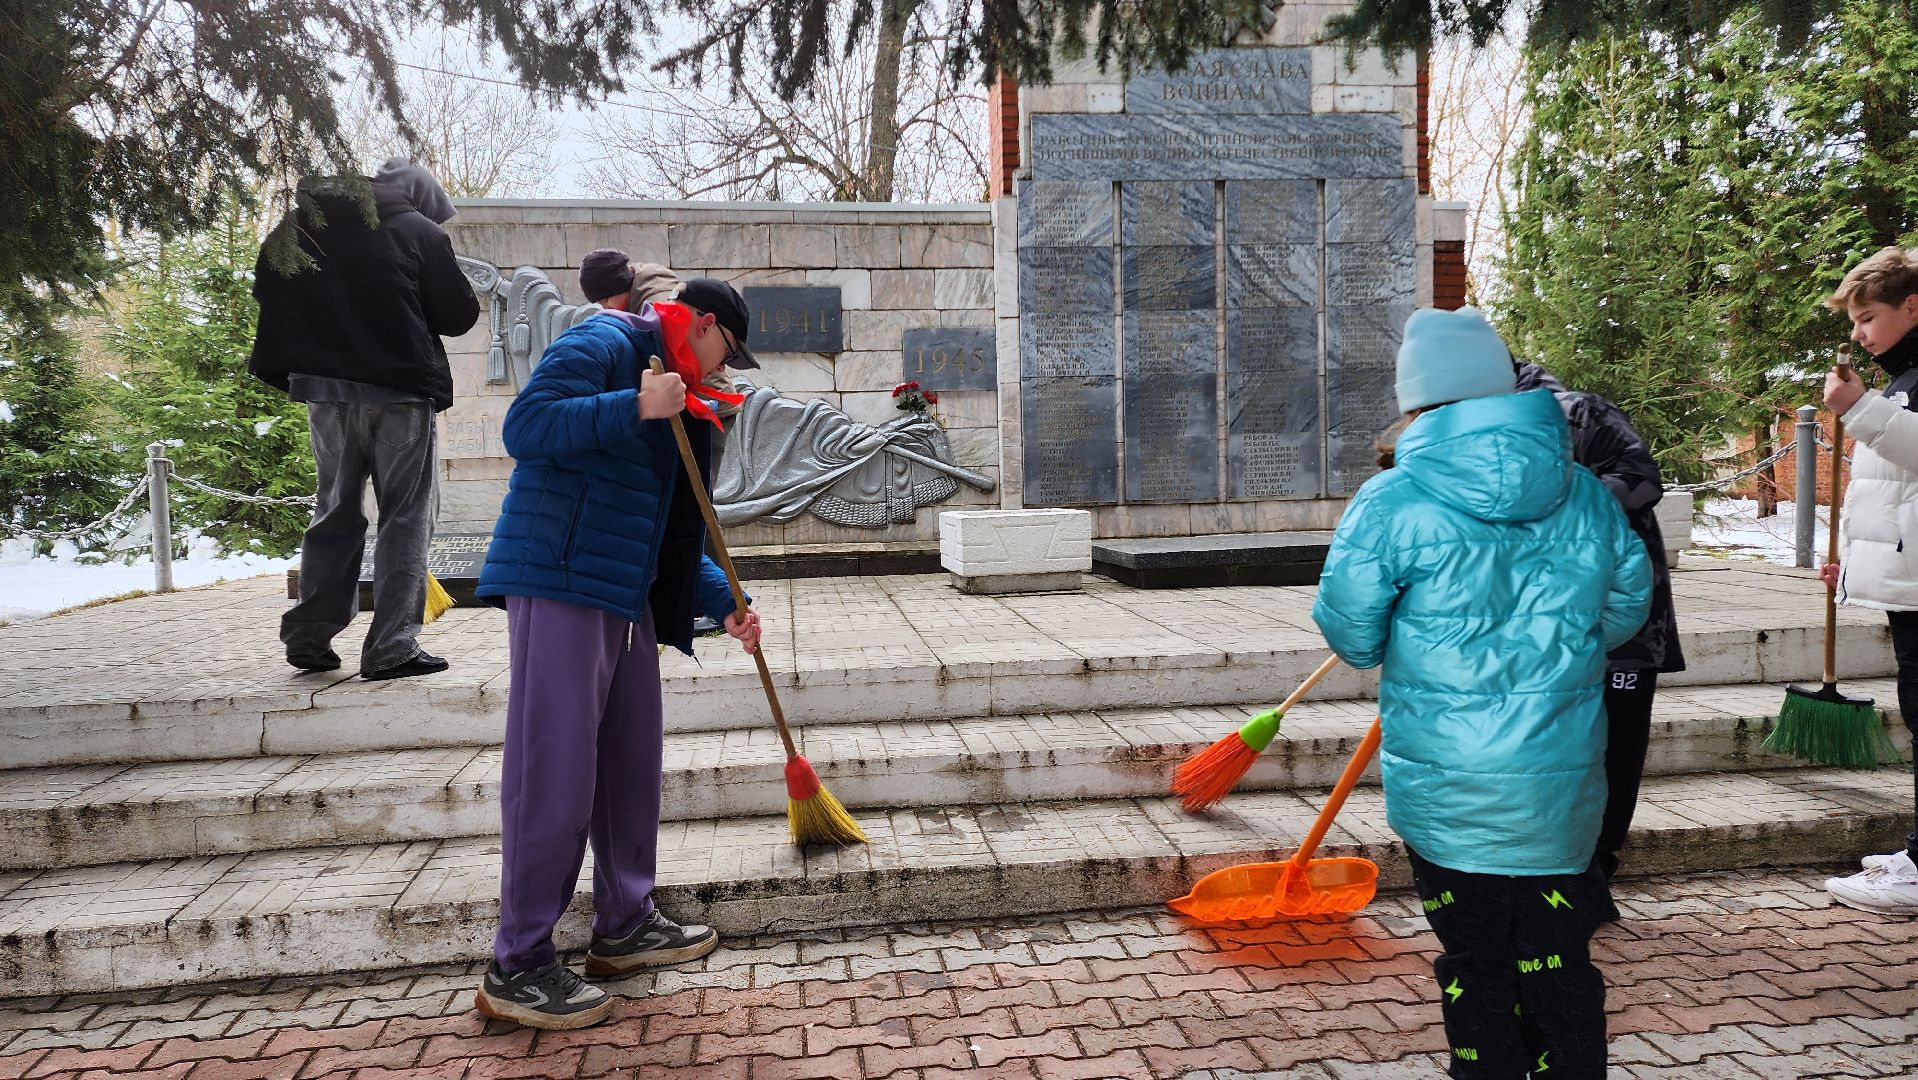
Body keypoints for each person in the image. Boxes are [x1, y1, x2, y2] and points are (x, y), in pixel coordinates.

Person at [1312, 307, 1651, 1079]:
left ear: (1418, 402)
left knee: (1475, 964)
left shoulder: (1390, 503)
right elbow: (1626, 610)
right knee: (1559, 964)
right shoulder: (1588, 497)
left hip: (1450, 793)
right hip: (1559, 792)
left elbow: (1355, 636)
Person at [471, 251, 764, 1030]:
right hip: (561, 576)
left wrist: (723, 601)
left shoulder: (679, 393)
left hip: (625, 592)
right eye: (725, 352)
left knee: (632, 758)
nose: (724, 370)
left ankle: (624, 924)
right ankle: (519, 961)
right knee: (554, 767)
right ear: (702, 326)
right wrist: (631, 407)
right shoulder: (605, 343)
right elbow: (525, 428)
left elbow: (673, 528)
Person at [250, 159, 480, 680]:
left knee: (334, 508)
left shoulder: (299, 225)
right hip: (399, 393)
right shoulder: (418, 232)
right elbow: (459, 314)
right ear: (420, 198)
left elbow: (267, 287)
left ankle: (310, 635)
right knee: (405, 516)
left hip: (324, 393)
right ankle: (391, 648)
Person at [1512, 362, 1685, 902]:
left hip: (1620, 622)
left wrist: (1566, 502)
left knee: (1613, 748)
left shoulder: (1577, 412)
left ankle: (1592, 878)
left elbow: (1641, 479)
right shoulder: (1476, 428)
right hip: (1542, 623)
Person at [1816, 245, 1918, 915]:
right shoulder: (1903, 375)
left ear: (1913, 306)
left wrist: (1859, 410)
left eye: (1868, 317)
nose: (1858, 333)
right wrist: (1852, 563)